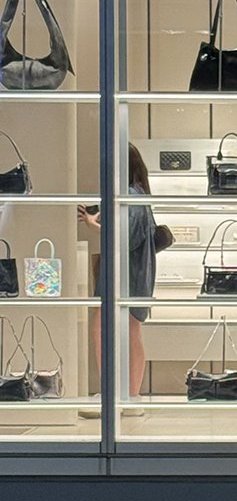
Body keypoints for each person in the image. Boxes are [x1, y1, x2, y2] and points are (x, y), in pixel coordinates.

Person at [77, 143, 157, 412]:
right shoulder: (137, 195)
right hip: (133, 273)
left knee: (107, 330)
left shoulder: (131, 197)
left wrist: (93, 225)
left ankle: (118, 395)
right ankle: (127, 396)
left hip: (125, 274)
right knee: (129, 332)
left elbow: (125, 238)